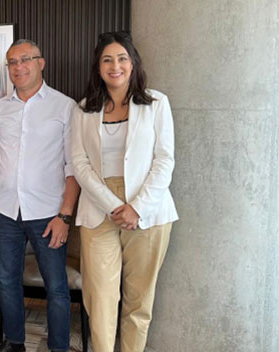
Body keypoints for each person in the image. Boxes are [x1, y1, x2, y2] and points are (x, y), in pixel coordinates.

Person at [70, 31, 178, 352]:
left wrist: (137, 207)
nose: (114, 66)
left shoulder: (157, 103)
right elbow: (79, 163)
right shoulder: (83, 109)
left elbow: (164, 160)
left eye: (121, 58)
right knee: (100, 296)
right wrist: (114, 205)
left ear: (132, 64)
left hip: (149, 208)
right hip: (99, 207)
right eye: (107, 59)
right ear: (98, 67)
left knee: (139, 299)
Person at [0, 39, 79, 352]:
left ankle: (58, 347)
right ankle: (14, 342)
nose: (19, 67)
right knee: (7, 282)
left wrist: (64, 215)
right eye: (12, 62)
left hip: (48, 214)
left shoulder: (64, 106)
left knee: (57, 288)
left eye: (26, 60)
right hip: (5, 211)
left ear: (41, 62)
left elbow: (73, 166)